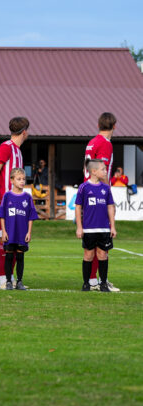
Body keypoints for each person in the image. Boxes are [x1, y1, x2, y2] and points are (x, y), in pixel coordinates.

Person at [0, 117, 29, 289]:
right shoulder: (6, 147)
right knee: (4, 241)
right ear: (25, 132)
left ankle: (11, 279)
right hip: (5, 204)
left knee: (16, 242)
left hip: (18, 204)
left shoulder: (18, 151)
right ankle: (3, 280)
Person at [83, 112, 119, 291]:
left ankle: (92, 280)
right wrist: (107, 194)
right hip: (98, 193)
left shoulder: (92, 142)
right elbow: (101, 170)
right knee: (101, 238)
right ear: (114, 126)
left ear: (98, 126)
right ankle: (98, 281)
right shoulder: (105, 143)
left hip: (88, 190)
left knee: (93, 238)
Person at [76, 159, 116, 292]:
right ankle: (86, 283)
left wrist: (113, 226)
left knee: (102, 255)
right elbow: (78, 207)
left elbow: (110, 207)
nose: (106, 171)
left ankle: (103, 283)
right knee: (88, 255)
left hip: (104, 228)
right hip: (88, 229)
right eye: (103, 169)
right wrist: (79, 227)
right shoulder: (84, 187)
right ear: (94, 171)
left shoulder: (106, 188)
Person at [0, 168, 38, 291]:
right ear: (12, 180)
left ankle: (19, 281)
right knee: (9, 257)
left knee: (20, 257)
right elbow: (2, 215)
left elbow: (31, 216)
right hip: (10, 232)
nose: (22, 181)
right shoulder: (7, 196)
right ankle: (9, 281)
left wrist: (29, 232)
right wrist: (3, 231)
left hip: (22, 233)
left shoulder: (27, 197)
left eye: (23, 179)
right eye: (19, 179)